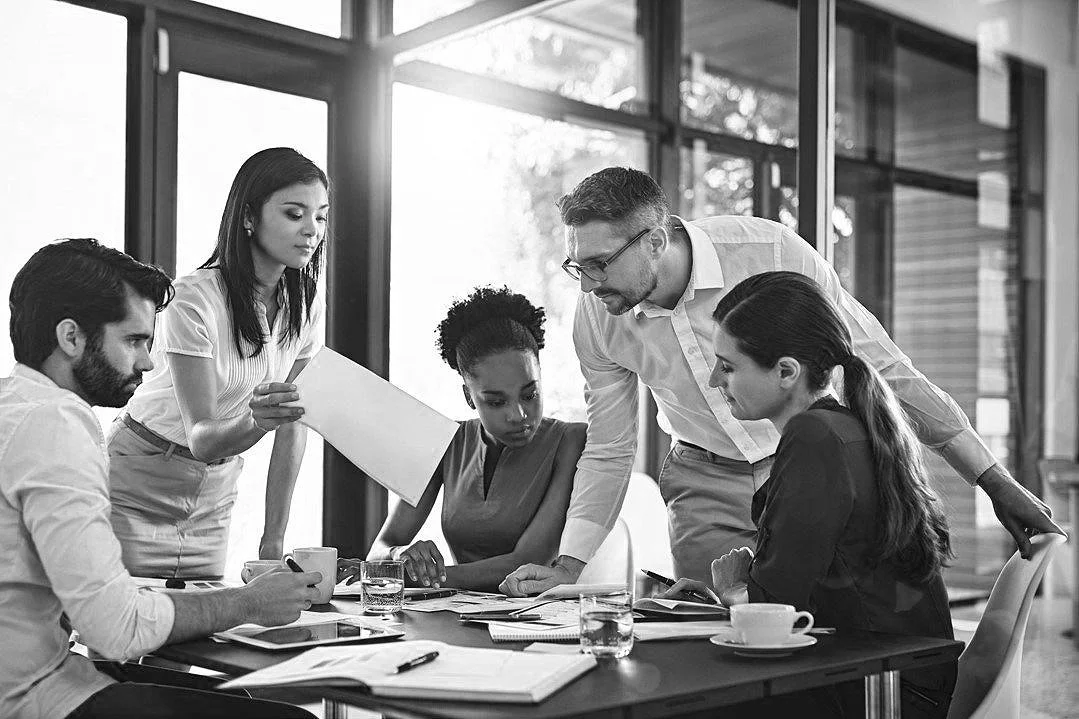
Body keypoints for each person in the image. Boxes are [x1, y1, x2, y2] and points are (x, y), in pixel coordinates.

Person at [501, 166, 1060, 595]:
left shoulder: (770, 253)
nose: (589, 283)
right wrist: (569, 566)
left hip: (801, 469)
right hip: (703, 480)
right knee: (715, 648)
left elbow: (883, 367)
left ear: (655, 239)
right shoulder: (598, 315)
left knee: (816, 635)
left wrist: (994, 482)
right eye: (578, 266)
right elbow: (610, 444)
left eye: (600, 263)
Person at [1, 238, 323, 719]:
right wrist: (247, 603)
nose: (149, 363)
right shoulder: (58, 425)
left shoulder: (15, 406)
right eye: (133, 341)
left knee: (243, 699)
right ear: (71, 338)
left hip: (53, 671)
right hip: (36, 697)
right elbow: (114, 630)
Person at [662, 271, 957, 717]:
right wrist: (735, 590)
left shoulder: (814, 437)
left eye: (727, 367)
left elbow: (775, 609)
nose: (714, 383)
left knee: (677, 692)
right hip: (897, 680)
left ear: (785, 372)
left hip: (871, 691)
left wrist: (734, 589)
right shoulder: (847, 427)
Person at [108, 147, 329, 578]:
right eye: (294, 213)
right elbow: (203, 437)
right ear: (249, 217)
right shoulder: (193, 298)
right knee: (120, 635)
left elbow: (293, 423)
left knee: (201, 632)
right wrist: (259, 420)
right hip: (140, 477)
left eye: (320, 216)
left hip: (215, 490)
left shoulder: (305, 303)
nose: (311, 230)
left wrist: (273, 540)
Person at [343, 287, 587, 592]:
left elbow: (526, 563)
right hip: (460, 614)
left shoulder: (571, 441)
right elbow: (382, 547)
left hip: (543, 621)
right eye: (496, 402)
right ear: (469, 398)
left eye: (530, 395)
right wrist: (400, 557)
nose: (519, 415)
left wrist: (417, 577)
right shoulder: (445, 442)